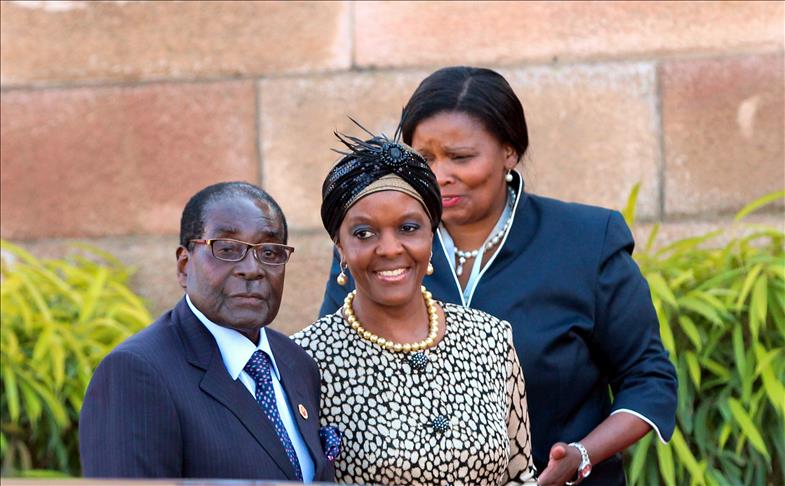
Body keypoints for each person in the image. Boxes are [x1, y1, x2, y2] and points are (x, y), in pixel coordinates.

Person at [319, 67, 678, 485]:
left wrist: (580, 456)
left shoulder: (586, 240)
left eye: (460, 157)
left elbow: (648, 377)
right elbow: (331, 371)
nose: (439, 175)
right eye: (425, 158)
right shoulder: (382, 254)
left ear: (509, 151)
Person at [294, 128, 538, 485]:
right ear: (340, 247)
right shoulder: (305, 360)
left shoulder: (490, 339)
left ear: (431, 236)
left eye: (408, 228)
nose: (390, 248)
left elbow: (520, 475)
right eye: (364, 233)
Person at [80, 182, 335, 481]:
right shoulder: (136, 372)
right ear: (184, 266)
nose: (252, 269)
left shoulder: (296, 362)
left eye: (269, 251)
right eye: (227, 249)